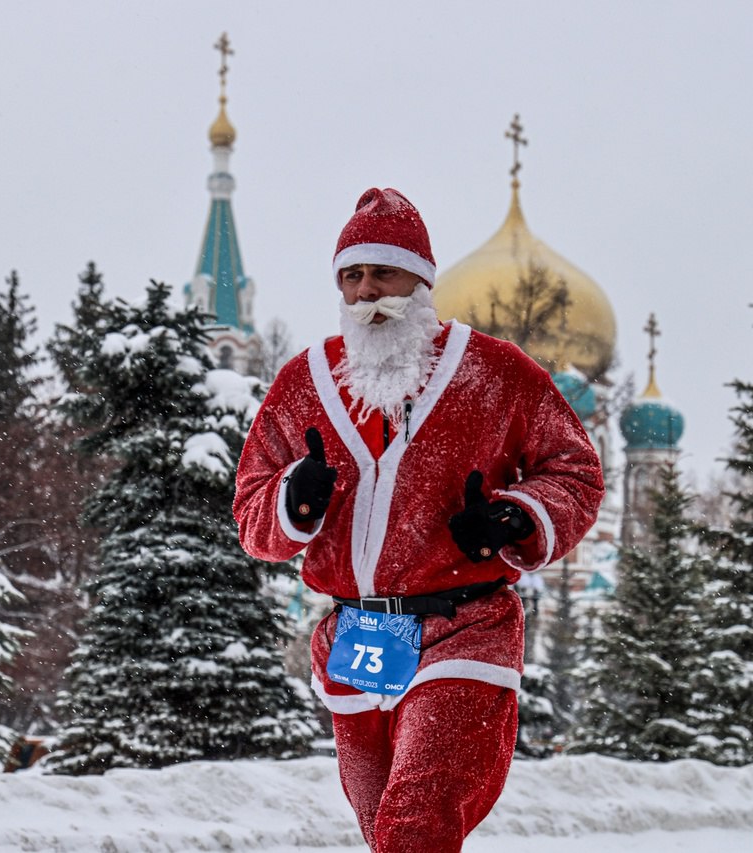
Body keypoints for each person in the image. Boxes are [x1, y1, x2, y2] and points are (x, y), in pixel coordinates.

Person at [234, 188, 604, 852]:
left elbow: (575, 469)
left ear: (423, 281)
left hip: (464, 626)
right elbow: (251, 512)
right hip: (357, 635)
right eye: (352, 275)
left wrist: (512, 519)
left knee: (418, 815)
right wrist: (293, 501)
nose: (367, 290)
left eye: (384, 273)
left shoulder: (496, 374)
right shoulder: (303, 383)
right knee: (384, 827)